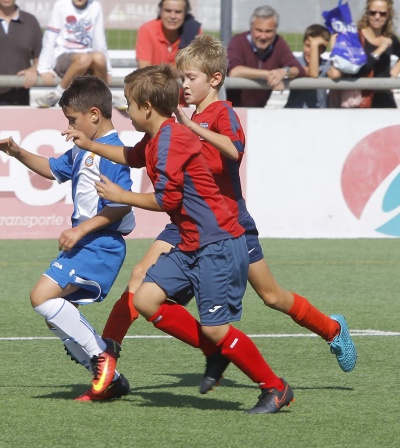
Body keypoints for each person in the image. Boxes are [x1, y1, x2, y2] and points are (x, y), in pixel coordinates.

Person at [95, 34, 356, 397]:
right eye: (182, 78)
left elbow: (234, 151)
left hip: (229, 225)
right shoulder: (181, 118)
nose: (184, 86)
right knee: (140, 278)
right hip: (188, 222)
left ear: (214, 79)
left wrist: (193, 128)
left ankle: (331, 329)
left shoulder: (221, 114)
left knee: (272, 296)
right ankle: (108, 354)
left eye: (191, 78)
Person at [65, 63, 294, 414]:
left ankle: (275, 388)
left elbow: (166, 201)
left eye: (128, 103)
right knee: (146, 300)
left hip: (217, 243)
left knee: (218, 330)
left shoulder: (171, 140)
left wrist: (122, 196)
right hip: (191, 242)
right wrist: (89, 143)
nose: (126, 111)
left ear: (147, 108)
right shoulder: (158, 136)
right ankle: (213, 352)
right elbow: (130, 156)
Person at [0, 75, 134, 401]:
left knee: (42, 297)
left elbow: (122, 204)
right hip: (87, 244)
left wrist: (80, 228)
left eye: (72, 119)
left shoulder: (112, 152)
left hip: (101, 244)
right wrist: (17, 152)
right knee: (55, 312)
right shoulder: (84, 148)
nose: (68, 126)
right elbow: (53, 168)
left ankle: (101, 355)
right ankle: (113, 379)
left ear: (94, 115)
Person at [36, 0, 112, 108]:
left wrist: (108, 70)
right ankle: (58, 94)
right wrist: (43, 68)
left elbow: (100, 40)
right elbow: (50, 37)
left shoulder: (95, 7)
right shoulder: (61, 6)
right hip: (64, 57)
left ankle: (105, 97)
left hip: (87, 59)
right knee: (84, 58)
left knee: (99, 57)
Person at [329, 0, 400, 108]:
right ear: (367, 12)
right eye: (373, 12)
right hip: (360, 100)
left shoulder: (391, 38)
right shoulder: (356, 37)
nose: (377, 17)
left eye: (382, 14)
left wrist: (393, 74)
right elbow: (357, 70)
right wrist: (379, 50)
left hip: (384, 99)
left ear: (388, 16)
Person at [227, 5, 305, 107]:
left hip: (257, 112)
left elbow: (298, 69)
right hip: (230, 111)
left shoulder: (279, 43)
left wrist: (283, 72)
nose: (263, 36)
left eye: (268, 31)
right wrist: (269, 75)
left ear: (276, 30)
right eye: (258, 30)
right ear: (251, 28)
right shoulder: (238, 41)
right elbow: (234, 71)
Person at [134, 0, 202, 68]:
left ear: (185, 14)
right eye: (168, 11)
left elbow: (195, 68)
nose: (172, 16)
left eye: (178, 12)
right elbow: (144, 69)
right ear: (160, 12)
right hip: (152, 80)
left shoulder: (193, 31)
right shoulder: (147, 30)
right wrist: (179, 70)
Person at [284, 24, 331, 108]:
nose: (310, 51)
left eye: (317, 47)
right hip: (294, 113)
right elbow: (309, 72)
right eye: (308, 46)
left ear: (323, 50)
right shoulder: (295, 61)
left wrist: (334, 44)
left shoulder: (326, 64)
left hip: (319, 114)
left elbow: (336, 72)